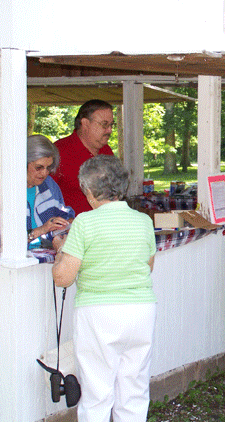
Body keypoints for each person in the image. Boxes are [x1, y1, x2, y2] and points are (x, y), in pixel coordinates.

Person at [51, 155, 157, 422]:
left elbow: (63, 277)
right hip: (140, 310)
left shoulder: (85, 223)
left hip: (98, 312)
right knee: (133, 389)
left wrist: (61, 250)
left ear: (88, 191)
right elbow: (148, 265)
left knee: (97, 392)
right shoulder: (143, 221)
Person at [0, 134, 74, 249]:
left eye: (48, 167)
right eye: (39, 167)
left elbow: (63, 213)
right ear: (22, 163)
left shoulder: (49, 184)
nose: (45, 173)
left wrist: (68, 223)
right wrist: (41, 230)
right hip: (6, 261)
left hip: (44, 257)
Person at [54, 99, 115, 215]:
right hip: (72, 228)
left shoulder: (106, 151)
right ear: (85, 123)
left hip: (105, 224)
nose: (110, 130)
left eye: (111, 125)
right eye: (104, 124)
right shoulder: (59, 151)